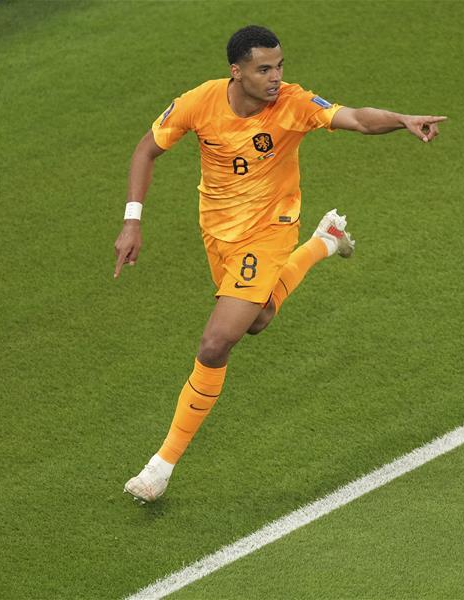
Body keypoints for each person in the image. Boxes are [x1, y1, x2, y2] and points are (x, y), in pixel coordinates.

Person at [115, 25, 446, 503]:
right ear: (237, 72)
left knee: (216, 342)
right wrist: (132, 221)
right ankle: (325, 242)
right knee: (258, 318)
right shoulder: (200, 102)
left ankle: (160, 467)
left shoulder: (293, 103)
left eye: (280, 66)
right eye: (264, 69)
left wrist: (402, 119)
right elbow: (146, 150)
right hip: (218, 231)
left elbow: (355, 118)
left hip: (270, 231)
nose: (276, 77)